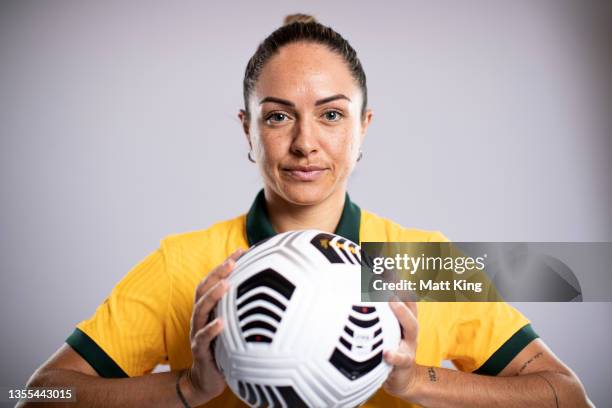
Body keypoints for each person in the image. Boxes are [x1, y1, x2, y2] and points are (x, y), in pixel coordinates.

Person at [22, 13, 592, 408]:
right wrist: (185, 390)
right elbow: (35, 393)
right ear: (247, 130)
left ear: (364, 127)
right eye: (277, 116)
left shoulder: (417, 262)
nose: (304, 143)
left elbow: (566, 395)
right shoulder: (186, 266)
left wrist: (416, 382)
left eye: (332, 114)